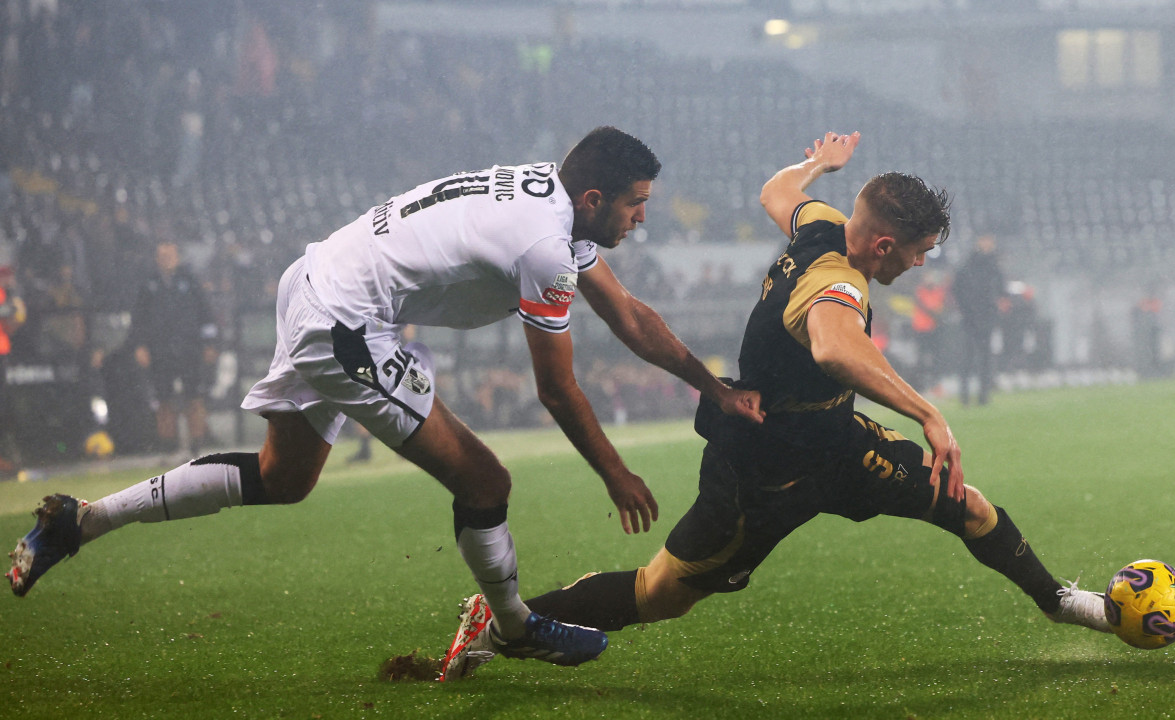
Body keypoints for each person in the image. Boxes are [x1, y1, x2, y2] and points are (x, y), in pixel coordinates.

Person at [8, 127, 764, 669]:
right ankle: (516, 627)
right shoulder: (543, 241)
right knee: (485, 480)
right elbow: (556, 388)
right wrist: (614, 472)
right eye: (636, 204)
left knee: (283, 479)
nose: (642, 217)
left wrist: (713, 387)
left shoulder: (560, 209)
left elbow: (629, 316)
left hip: (314, 279)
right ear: (595, 197)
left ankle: (81, 521)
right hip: (344, 319)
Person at [437, 131, 1111, 681]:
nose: (922, 263)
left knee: (965, 503)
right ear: (884, 245)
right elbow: (834, 350)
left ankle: (1058, 601)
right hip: (761, 472)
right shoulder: (835, 282)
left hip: (836, 442)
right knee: (661, 595)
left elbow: (776, 190)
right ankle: (496, 624)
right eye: (919, 252)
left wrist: (817, 164)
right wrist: (930, 415)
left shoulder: (822, 223)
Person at [130, 241, 219, 454]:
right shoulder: (148, 285)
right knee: (164, 400)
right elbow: (139, 319)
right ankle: (168, 447)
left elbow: (206, 313)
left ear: (177, 257)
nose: (166, 259)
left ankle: (196, 445)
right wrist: (140, 345)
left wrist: (210, 344)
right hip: (160, 350)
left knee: (194, 398)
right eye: (162, 255)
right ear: (156, 258)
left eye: (170, 255)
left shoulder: (190, 281)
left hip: (190, 348)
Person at [951, 234, 1004, 405]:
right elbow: (958, 289)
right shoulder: (972, 266)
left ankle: (983, 395)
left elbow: (1000, 289)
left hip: (984, 317)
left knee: (983, 358)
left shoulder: (992, 266)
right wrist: (968, 309)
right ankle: (966, 396)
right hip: (972, 318)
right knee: (969, 357)